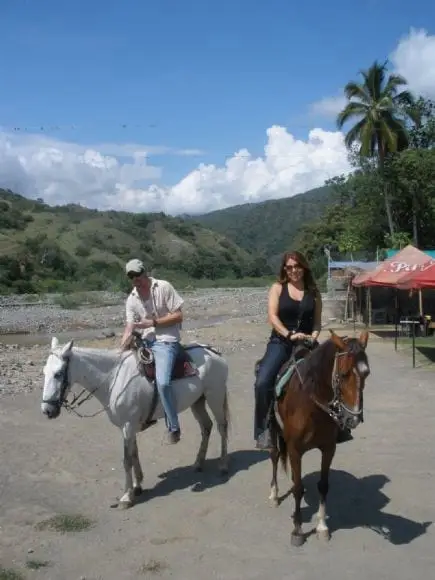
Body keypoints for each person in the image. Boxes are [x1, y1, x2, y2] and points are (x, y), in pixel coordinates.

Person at [254, 250, 322, 450]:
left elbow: (317, 323)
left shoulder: (314, 292)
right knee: (262, 381)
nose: (294, 270)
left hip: (307, 343)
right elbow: (272, 316)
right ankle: (263, 430)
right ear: (285, 269)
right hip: (281, 342)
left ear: (304, 267)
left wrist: (313, 337)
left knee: (333, 376)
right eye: (289, 267)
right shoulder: (278, 288)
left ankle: (338, 426)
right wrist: (289, 334)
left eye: (297, 266)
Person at [120, 259, 185, 444]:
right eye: (131, 277)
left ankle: (173, 426)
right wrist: (122, 345)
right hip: (145, 342)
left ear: (145, 273)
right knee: (129, 376)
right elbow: (130, 326)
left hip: (166, 341)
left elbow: (179, 315)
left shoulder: (163, 287)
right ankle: (145, 416)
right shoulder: (131, 299)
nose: (135, 280)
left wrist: (153, 323)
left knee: (163, 382)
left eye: (138, 275)